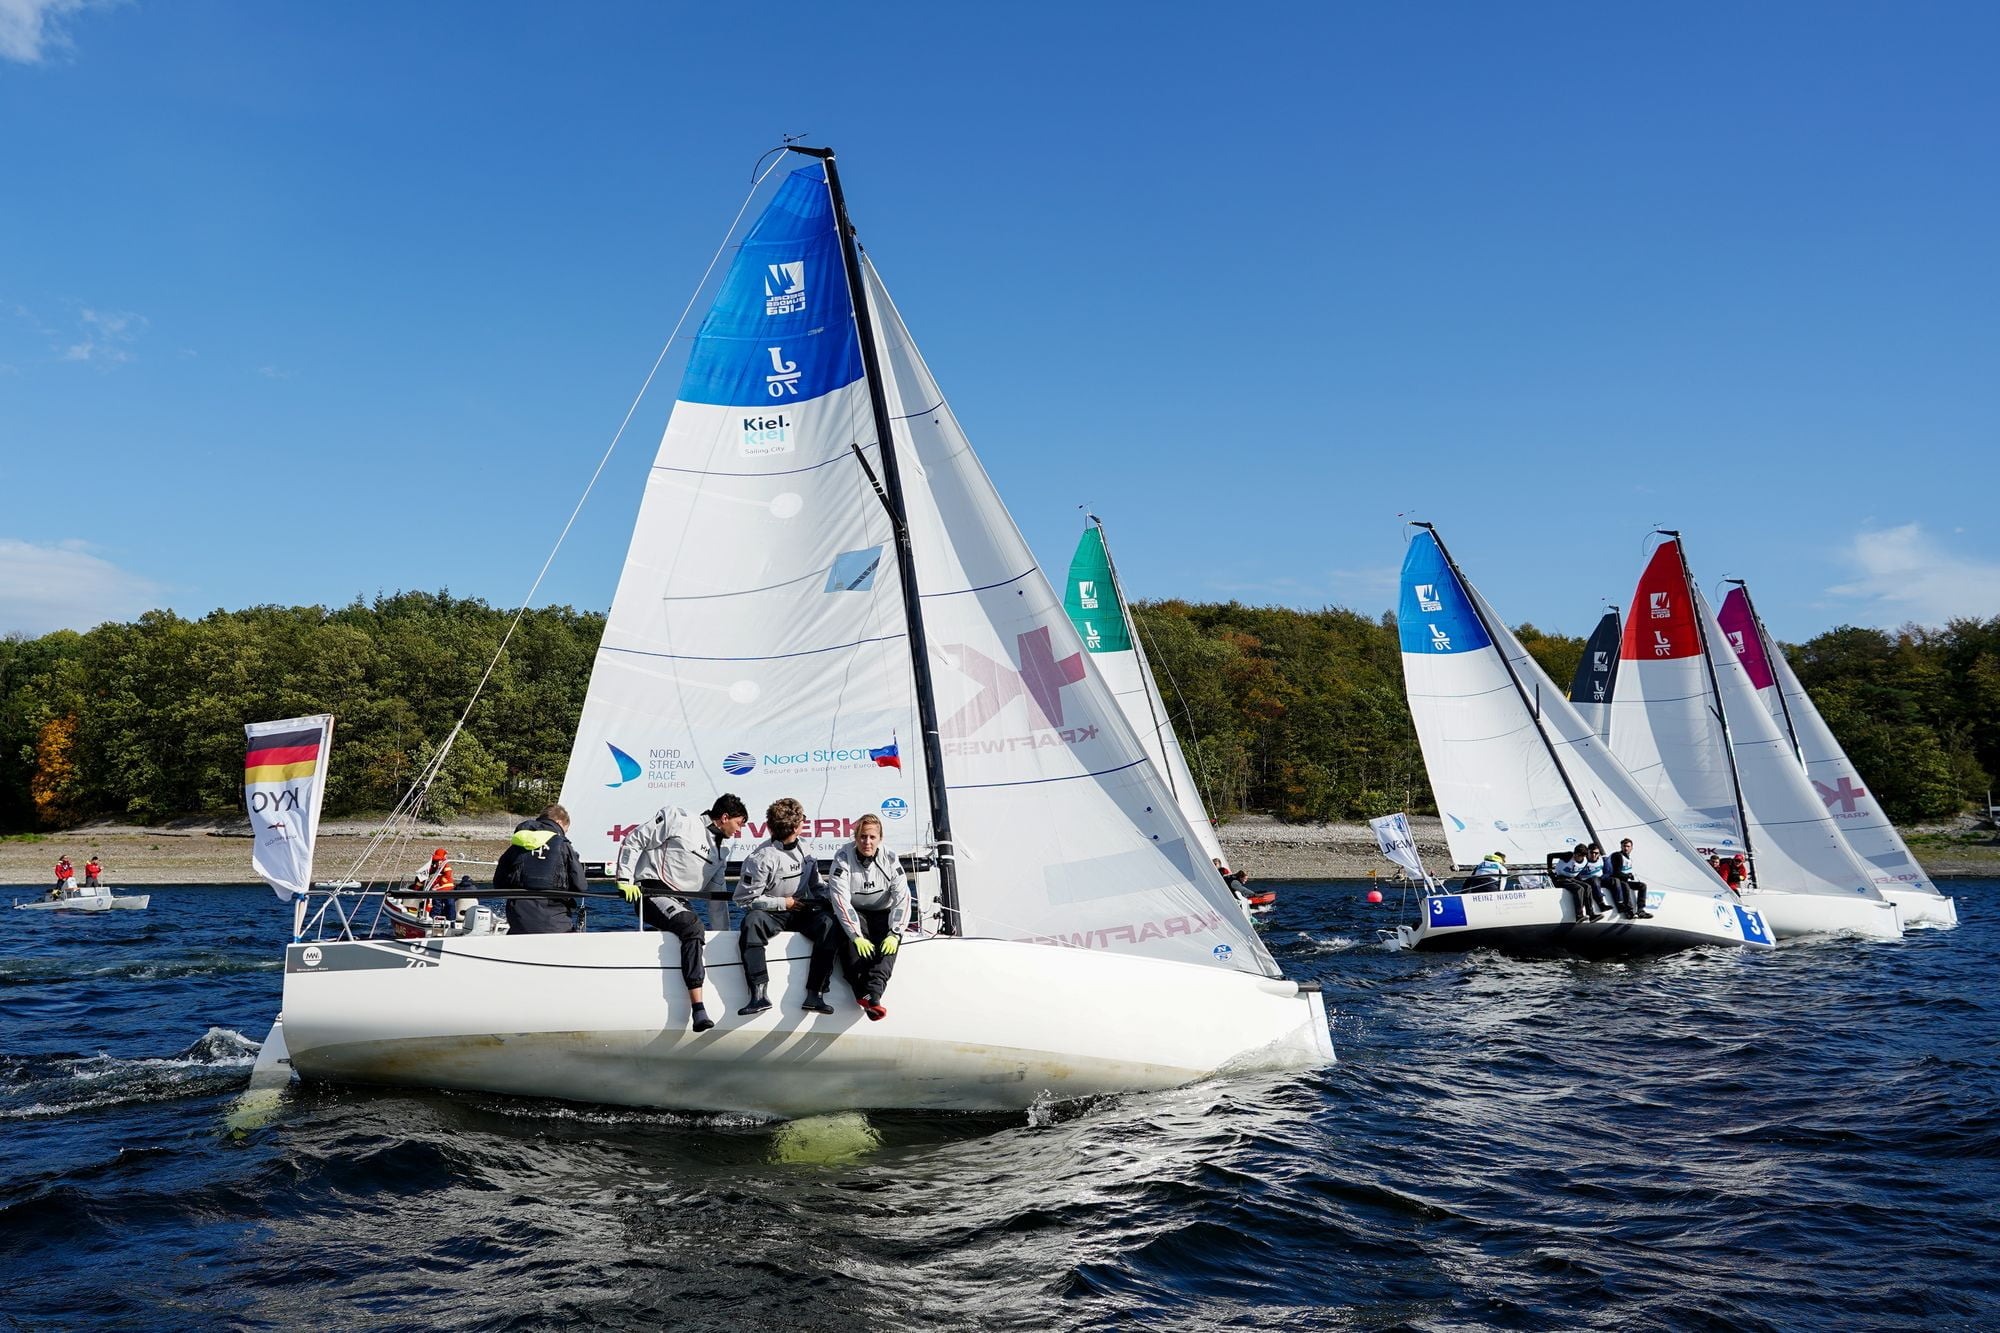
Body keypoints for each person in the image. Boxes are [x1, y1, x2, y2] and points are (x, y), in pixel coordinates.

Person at [615, 795, 750, 1033]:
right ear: (724, 817)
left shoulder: (722, 851)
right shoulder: (678, 818)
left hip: (681, 902)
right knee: (693, 926)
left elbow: (717, 900)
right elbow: (634, 839)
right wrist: (624, 879)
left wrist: (724, 939)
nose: (740, 830)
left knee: (694, 926)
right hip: (651, 892)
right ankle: (698, 1008)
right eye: (739, 823)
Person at [734, 798, 836, 1016]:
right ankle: (759, 995)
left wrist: (838, 898)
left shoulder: (806, 849)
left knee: (829, 923)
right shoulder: (760, 858)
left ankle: (815, 994)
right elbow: (744, 900)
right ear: (797, 826)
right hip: (771, 913)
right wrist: (783, 903)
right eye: (803, 820)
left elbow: (817, 886)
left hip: (801, 910)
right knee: (751, 922)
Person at [821, 814, 909, 1021]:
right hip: (855, 911)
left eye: (872, 837)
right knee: (848, 937)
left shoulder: (890, 859)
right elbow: (841, 901)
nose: (867, 842)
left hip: (882, 911)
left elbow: (903, 898)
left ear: (880, 838)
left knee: (890, 942)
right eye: (862, 837)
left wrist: (895, 933)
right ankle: (864, 994)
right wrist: (856, 936)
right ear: (855, 837)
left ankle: (874, 995)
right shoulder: (843, 858)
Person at [497, 804, 588, 937]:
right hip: (555, 924)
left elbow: (498, 883)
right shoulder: (563, 846)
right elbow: (581, 886)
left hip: (519, 922)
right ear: (559, 823)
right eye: (565, 830)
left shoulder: (517, 845)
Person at [1549, 844, 1608, 922]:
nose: (1575, 856)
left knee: (1587, 887)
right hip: (1560, 879)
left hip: (1571, 879)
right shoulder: (1568, 855)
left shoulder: (1586, 860)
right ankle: (1579, 915)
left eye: (1578, 855)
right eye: (1575, 854)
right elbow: (1550, 856)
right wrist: (1549, 869)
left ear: (1583, 856)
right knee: (1579, 889)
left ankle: (1591, 914)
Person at [1605, 838, 1652, 918]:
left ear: (1631, 848)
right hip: (1618, 881)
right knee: (1625, 886)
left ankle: (1640, 910)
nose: (1626, 848)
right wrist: (1628, 876)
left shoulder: (1629, 858)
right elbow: (1616, 873)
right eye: (1624, 846)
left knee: (1643, 886)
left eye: (1628, 846)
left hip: (1625, 880)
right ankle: (1629, 910)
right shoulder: (1618, 856)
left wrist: (1631, 877)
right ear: (1621, 846)